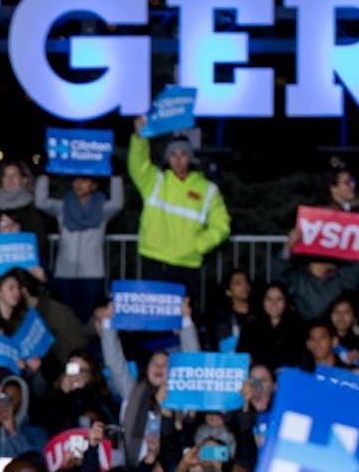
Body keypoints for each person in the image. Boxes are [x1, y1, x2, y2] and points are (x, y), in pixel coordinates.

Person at [127, 116, 231, 304]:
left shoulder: (207, 189)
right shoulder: (155, 181)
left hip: (188, 264)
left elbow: (222, 225)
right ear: (168, 157)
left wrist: (198, 245)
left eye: (183, 154)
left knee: (185, 319)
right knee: (156, 318)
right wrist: (139, 136)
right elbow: (137, 164)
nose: (178, 159)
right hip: (154, 259)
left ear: (190, 157)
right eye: (173, 154)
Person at [34, 172, 125, 321]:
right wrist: (45, 176)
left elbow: (118, 203)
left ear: (94, 185)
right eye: (75, 180)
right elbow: (41, 202)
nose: (78, 184)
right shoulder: (63, 207)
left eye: (84, 180)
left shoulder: (103, 209)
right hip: (64, 273)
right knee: (67, 319)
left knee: (90, 319)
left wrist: (115, 175)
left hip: (93, 274)